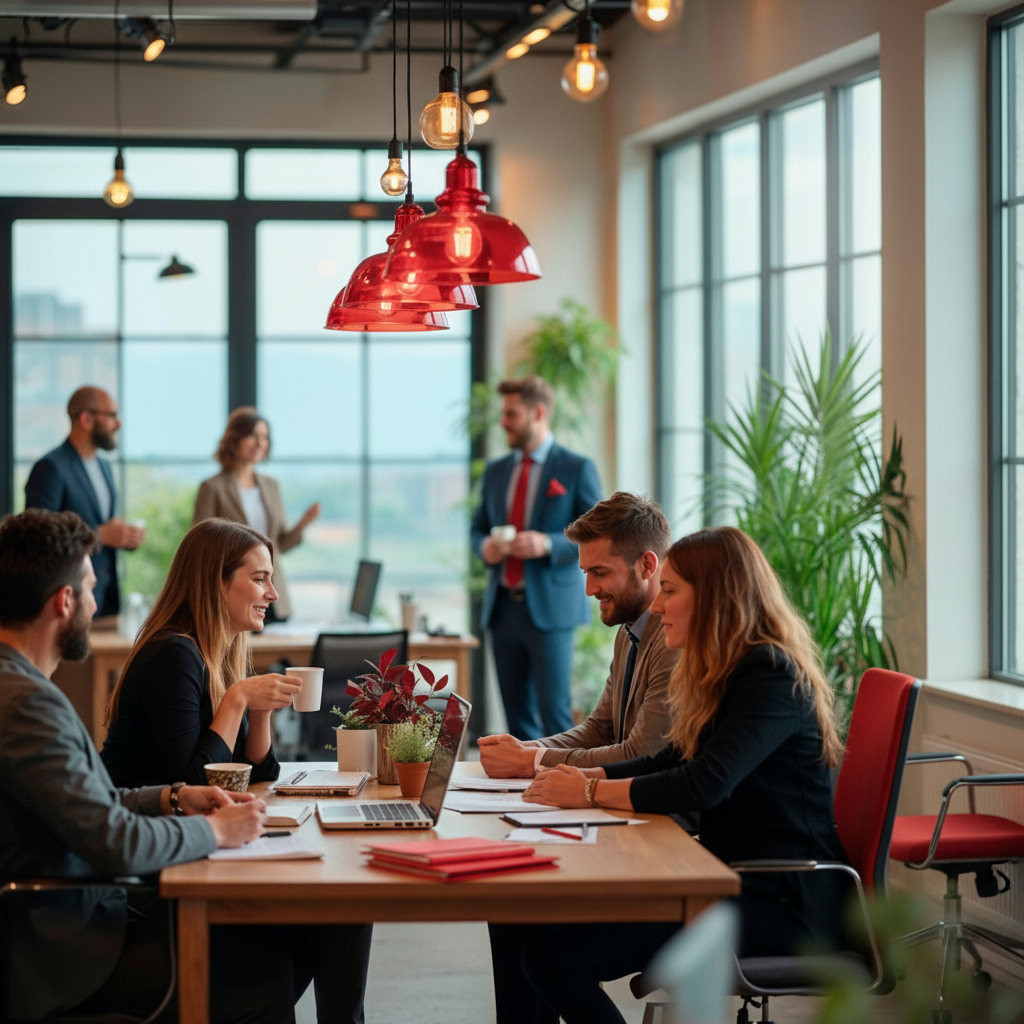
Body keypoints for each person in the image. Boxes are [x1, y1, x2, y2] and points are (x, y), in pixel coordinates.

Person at [489, 526, 851, 1024]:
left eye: (672, 591)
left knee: (552, 960)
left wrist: (591, 790)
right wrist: (580, 784)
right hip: (720, 879)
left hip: (784, 902)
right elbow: (672, 761)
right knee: (517, 920)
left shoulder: (769, 675)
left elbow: (704, 782)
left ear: (718, 599)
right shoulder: (727, 671)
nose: (657, 607)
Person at [0, 508, 340, 1024]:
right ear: (64, 601)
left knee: (306, 934)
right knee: (267, 972)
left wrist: (172, 798)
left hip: (80, 907)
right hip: (68, 945)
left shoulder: (24, 690)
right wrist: (214, 831)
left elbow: (98, 802)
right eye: (91, 589)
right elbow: (117, 842)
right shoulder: (27, 704)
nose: (96, 605)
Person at [99, 516, 372, 1022]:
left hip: (192, 842)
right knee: (332, 921)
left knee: (344, 914)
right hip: (151, 862)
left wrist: (259, 713)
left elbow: (259, 770)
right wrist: (237, 700)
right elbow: (193, 779)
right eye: (259, 577)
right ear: (215, 581)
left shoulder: (217, 650)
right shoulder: (173, 654)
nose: (271, 591)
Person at [477, 491, 677, 777]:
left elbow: (641, 753)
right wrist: (526, 750)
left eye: (600, 572)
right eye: (585, 572)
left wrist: (530, 761)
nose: (589, 589)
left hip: (665, 818)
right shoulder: (629, 631)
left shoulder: (675, 640)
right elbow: (600, 729)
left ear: (647, 565)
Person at [470, 376, 603, 739]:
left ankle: (563, 791)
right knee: (516, 719)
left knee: (555, 715)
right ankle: (520, 793)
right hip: (503, 611)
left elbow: (600, 535)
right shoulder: (497, 471)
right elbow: (477, 529)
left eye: (511, 413)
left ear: (538, 412)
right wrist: (484, 547)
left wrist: (547, 544)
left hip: (551, 611)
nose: (503, 422)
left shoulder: (576, 468)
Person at [24, 386, 145, 618]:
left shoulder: (105, 468)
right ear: (86, 419)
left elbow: (101, 526)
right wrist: (101, 535)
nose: (118, 424)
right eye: (112, 415)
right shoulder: (50, 468)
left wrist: (123, 537)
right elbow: (37, 538)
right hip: (66, 601)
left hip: (105, 598)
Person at [193, 407, 320, 623]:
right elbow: (200, 546)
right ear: (235, 440)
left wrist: (302, 525)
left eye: (265, 437)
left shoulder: (270, 486)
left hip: (273, 596)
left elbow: (279, 546)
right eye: (253, 436)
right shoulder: (212, 488)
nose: (261, 443)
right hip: (234, 595)